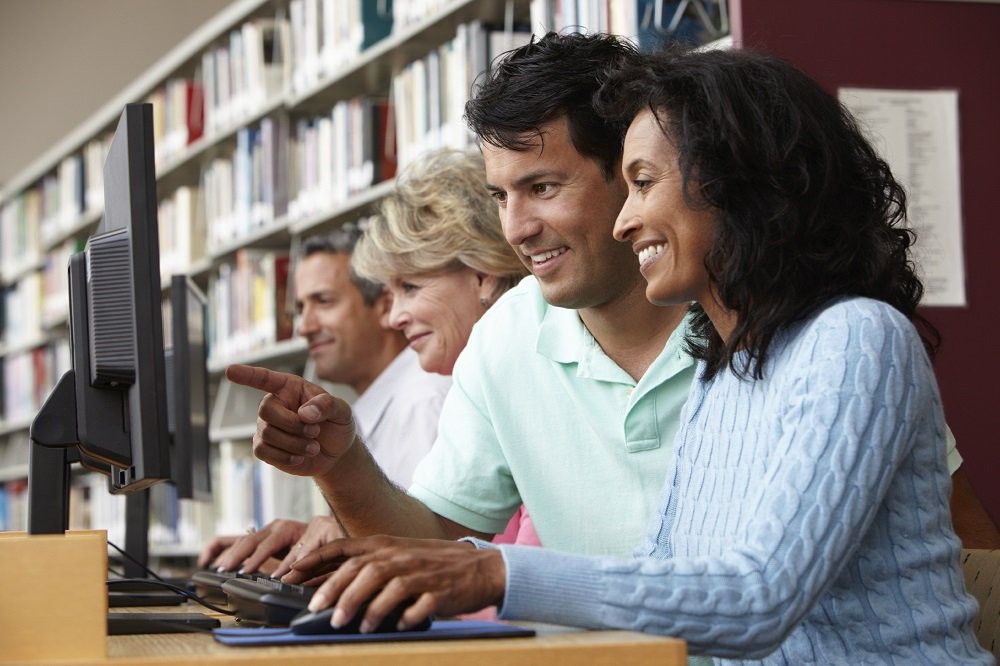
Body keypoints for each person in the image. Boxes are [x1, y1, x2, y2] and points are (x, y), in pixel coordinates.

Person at [275, 46, 993, 663]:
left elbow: (758, 595)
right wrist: (419, 546)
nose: (626, 221)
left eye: (643, 182)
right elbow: (664, 573)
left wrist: (497, 573)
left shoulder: (857, 338)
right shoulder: (726, 362)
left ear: (735, 185)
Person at [225, 32, 696, 559]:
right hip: (585, 646)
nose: (516, 229)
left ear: (630, 175)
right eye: (501, 196)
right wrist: (339, 464)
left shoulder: (739, 312)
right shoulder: (504, 338)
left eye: (542, 188)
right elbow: (431, 538)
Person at [197, 224, 451, 574]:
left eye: (324, 301)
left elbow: (421, 556)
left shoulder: (422, 400)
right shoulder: (378, 404)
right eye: (301, 307)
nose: (304, 326)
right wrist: (294, 548)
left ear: (384, 305)